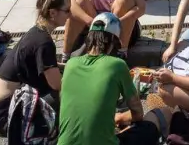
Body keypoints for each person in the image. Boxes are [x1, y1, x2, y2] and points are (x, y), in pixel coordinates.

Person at [55, 12, 156, 145]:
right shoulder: (117, 65)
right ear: (112, 43)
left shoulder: (70, 65)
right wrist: (119, 118)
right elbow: (137, 114)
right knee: (152, 125)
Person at [0, 0, 68, 136]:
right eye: (67, 11)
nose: (71, 15)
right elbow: (57, 85)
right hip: (7, 117)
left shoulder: (36, 32)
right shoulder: (44, 43)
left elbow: (49, 65)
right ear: (53, 13)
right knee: (68, 94)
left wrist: (72, 66)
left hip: (1, 108)